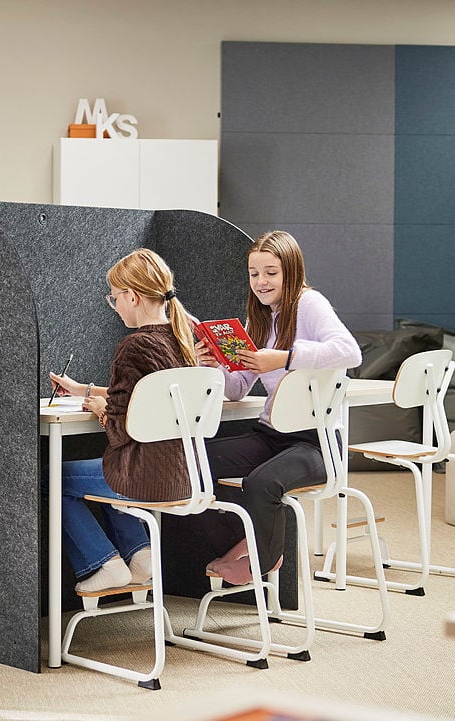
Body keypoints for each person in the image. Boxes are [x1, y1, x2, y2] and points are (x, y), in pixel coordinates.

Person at [195, 230, 362, 585]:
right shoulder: (259, 318)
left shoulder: (309, 303)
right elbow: (238, 389)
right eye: (254, 273)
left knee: (261, 484)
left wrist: (283, 359)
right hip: (271, 433)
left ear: (291, 271)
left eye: (270, 272)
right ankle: (248, 539)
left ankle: (263, 561)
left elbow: (349, 351)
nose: (261, 281)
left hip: (314, 443)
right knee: (193, 463)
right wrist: (211, 366)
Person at [48, 248, 197, 593]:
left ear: (131, 297)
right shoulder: (179, 337)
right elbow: (145, 396)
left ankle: (102, 562)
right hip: (185, 473)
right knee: (107, 469)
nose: (114, 306)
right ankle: (139, 554)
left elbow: (120, 429)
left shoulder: (134, 345)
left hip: (147, 477)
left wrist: (102, 409)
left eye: (114, 298)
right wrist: (84, 390)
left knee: (52, 479)